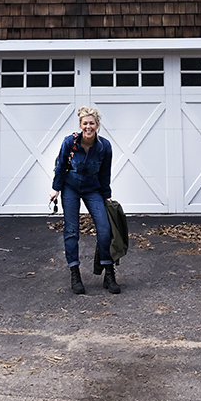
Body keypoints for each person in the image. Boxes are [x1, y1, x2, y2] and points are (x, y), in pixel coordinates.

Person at [50, 107, 120, 295]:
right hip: (70, 188)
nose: (88, 126)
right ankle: (75, 273)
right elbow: (61, 165)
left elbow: (105, 172)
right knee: (72, 231)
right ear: (80, 125)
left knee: (105, 230)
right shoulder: (69, 142)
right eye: (85, 123)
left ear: (97, 125)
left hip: (93, 190)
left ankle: (109, 273)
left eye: (92, 123)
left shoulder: (104, 146)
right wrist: (56, 188)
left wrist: (107, 195)